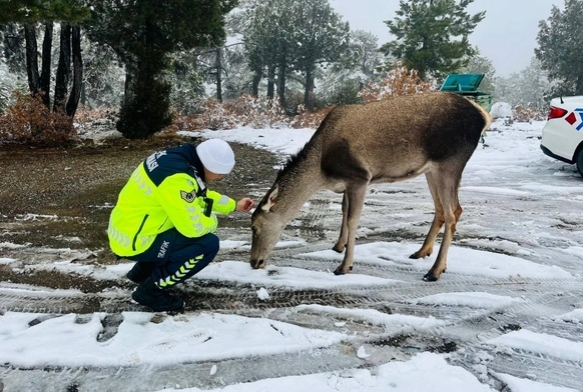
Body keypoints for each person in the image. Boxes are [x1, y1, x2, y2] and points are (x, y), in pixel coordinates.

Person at [108, 138, 254, 312]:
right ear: (208, 165)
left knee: (178, 223)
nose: (221, 177)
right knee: (206, 244)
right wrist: (212, 221)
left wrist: (233, 205)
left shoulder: (176, 160)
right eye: (219, 172)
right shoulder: (177, 180)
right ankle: (151, 291)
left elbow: (198, 194)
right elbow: (193, 228)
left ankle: (142, 272)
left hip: (129, 229)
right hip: (138, 241)